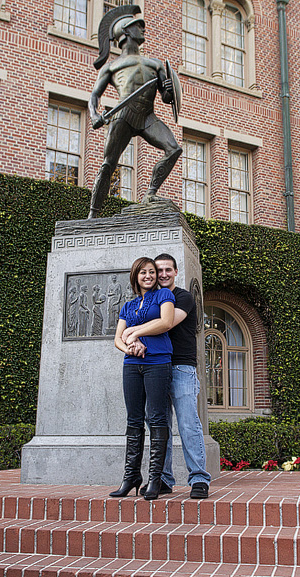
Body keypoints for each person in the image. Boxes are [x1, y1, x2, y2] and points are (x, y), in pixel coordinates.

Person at [122, 254, 211, 499]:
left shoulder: (181, 296)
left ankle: (199, 478)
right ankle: (163, 478)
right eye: (158, 270)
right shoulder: (151, 300)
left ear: (175, 271)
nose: (162, 274)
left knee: (187, 423)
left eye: (166, 270)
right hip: (155, 367)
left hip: (181, 367)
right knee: (159, 424)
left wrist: (131, 331)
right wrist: (134, 338)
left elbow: (167, 323)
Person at [86, 6, 181, 218]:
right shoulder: (111, 67)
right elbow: (94, 96)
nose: (143, 29)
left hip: (147, 116)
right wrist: (94, 115)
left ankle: (150, 194)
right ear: (126, 32)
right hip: (123, 116)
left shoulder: (156, 64)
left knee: (173, 149)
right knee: (108, 164)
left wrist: (167, 89)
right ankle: (93, 213)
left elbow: (167, 97)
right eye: (138, 26)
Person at [111, 257, 175, 500]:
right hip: (132, 364)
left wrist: (134, 331)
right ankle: (131, 476)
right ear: (135, 276)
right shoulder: (128, 306)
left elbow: (166, 322)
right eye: (143, 272)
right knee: (134, 419)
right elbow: (117, 339)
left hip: (157, 363)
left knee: (157, 417)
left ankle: (155, 479)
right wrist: (129, 346)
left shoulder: (164, 297)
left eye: (152, 272)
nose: (148, 276)